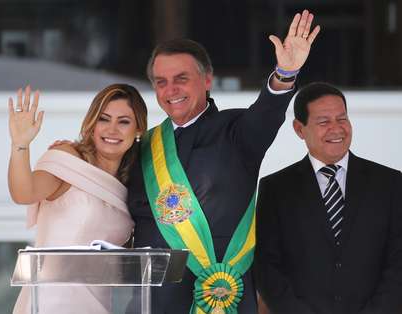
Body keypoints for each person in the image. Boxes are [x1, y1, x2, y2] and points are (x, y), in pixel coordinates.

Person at [126, 10, 320, 314]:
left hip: (224, 297)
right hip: (154, 303)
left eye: (181, 79)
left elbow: (267, 112)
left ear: (207, 80)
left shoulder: (238, 131)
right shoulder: (143, 146)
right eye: (161, 82)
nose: (171, 90)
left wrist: (285, 73)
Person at [254, 82, 402, 314]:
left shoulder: (390, 183)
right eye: (324, 122)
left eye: (342, 119)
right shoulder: (276, 189)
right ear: (299, 129)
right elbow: (267, 268)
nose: (336, 129)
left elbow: (398, 261)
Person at [8, 83, 147, 314]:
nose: (112, 130)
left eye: (124, 122)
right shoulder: (67, 159)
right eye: (104, 119)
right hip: (48, 305)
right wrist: (20, 145)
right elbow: (24, 193)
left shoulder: (132, 184)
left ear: (138, 130)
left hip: (97, 307)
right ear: (92, 124)